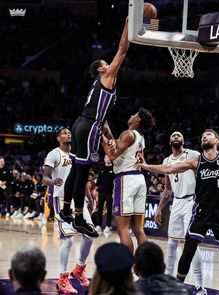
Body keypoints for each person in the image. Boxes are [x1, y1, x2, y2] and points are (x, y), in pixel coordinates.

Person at [58, 17, 130, 237]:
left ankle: (66, 210)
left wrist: (109, 135)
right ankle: (79, 219)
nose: (110, 65)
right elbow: (123, 48)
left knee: (75, 170)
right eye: (105, 64)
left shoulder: (99, 85)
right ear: (101, 70)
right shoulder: (107, 77)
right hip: (89, 126)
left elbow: (104, 118)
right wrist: (129, 22)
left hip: (83, 123)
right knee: (82, 174)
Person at [139, 129, 219, 290]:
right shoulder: (196, 161)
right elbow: (169, 169)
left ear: (217, 141)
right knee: (188, 251)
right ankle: (176, 287)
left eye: (209, 135)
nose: (204, 136)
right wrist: (146, 166)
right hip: (201, 212)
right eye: (203, 135)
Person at [43, 128, 94, 294]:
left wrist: (90, 198)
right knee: (68, 240)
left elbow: (83, 178)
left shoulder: (78, 154)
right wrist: (52, 181)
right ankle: (63, 279)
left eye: (69, 132)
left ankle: (79, 269)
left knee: (90, 236)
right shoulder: (54, 154)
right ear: (58, 138)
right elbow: (45, 177)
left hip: (79, 200)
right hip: (61, 198)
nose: (68, 134)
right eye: (64, 133)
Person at [155, 131, 205, 294]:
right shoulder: (166, 161)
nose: (176, 137)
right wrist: (159, 208)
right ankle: (168, 281)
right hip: (176, 202)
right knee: (172, 243)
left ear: (183, 141)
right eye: (173, 136)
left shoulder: (193, 154)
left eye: (179, 136)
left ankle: (200, 286)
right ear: (170, 142)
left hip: (192, 201)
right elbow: (168, 189)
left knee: (191, 243)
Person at [102, 108, 155, 252]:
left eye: (134, 114)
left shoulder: (127, 134)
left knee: (123, 229)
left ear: (137, 120)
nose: (131, 115)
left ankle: (128, 267)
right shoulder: (140, 138)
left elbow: (112, 156)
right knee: (138, 229)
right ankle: (145, 265)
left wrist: (99, 136)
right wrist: (106, 130)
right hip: (139, 179)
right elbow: (116, 145)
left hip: (126, 179)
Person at [95, 155, 115, 233]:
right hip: (101, 192)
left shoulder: (114, 169)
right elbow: (98, 180)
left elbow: (115, 181)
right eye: (106, 157)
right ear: (104, 159)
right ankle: (98, 225)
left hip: (110, 192)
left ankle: (108, 226)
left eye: (109, 157)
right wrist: (96, 191)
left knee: (109, 210)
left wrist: (114, 191)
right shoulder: (101, 168)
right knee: (99, 209)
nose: (108, 159)